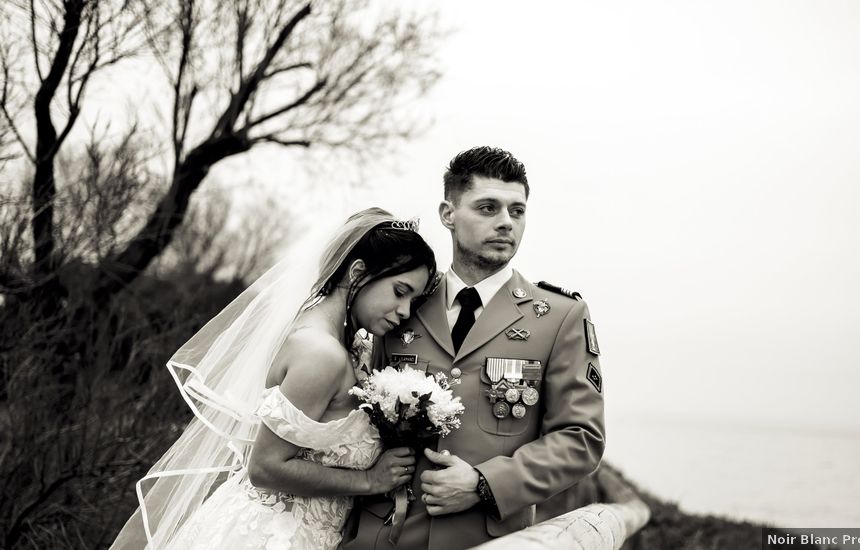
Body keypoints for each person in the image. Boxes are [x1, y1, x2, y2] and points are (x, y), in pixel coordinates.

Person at [110, 208, 437, 550]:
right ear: (357, 273)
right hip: (267, 537)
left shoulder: (334, 342)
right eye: (400, 291)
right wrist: (370, 480)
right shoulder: (321, 354)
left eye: (413, 301)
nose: (404, 311)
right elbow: (265, 468)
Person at [342, 147, 606, 550]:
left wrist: (484, 484)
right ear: (448, 214)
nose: (506, 223)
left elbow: (580, 437)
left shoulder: (559, 316)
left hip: (484, 539)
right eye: (488, 208)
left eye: (517, 212)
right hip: (383, 535)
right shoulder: (402, 305)